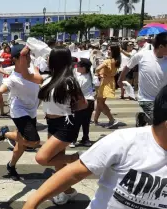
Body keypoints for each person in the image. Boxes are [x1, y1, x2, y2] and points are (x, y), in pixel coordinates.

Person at [23, 83, 167, 209]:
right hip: (61, 125)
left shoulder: (68, 81)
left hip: (67, 123)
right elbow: (74, 173)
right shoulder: (124, 141)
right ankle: (79, 157)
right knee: (44, 156)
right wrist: (33, 202)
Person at [23, 46, 87, 205]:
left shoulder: (69, 81)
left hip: (65, 124)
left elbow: (83, 104)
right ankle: (68, 191)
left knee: (42, 158)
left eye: (50, 57)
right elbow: (26, 74)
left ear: (55, 60)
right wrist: (25, 55)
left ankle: (78, 158)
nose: (47, 59)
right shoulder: (48, 79)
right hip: (52, 123)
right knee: (58, 163)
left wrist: (68, 110)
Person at [0, 44, 43, 181]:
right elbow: (0, 91)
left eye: (28, 55)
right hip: (19, 111)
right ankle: (5, 134)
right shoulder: (13, 78)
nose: (29, 57)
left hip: (31, 110)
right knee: (33, 141)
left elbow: (40, 80)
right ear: (17, 59)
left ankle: (11, 166)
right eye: (25, 55)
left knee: (21, 144)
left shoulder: (32, 69)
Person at [118, 32, 167, 127]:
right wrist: (120, 80)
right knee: (158, 123)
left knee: (163, 120)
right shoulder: (142, 55)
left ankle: (143, 117)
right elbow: (128, 67)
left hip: (163, 98)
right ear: (161, 46)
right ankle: (144, 119)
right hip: (146, 98)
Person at [93, 44, 120, 128]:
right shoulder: (115, 60)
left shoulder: (108, 61)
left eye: (109, 49)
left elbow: (97, 69)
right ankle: (95, 120)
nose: (108, 50)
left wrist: (98, 74)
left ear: (113, 51)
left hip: (105, 82)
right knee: (99, 102)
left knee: (100, 102)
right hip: (110, 81)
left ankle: (112, 119)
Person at [71, 59, 94, 148]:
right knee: (86, 122)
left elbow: (76, 89)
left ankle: (73, 140)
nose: (76, 68)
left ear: (83, 68)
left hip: (81, 101)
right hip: (90, 100)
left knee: (77, 122)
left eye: (78, 66)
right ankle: (85, 139)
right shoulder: (90, 74)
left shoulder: (81, 78)